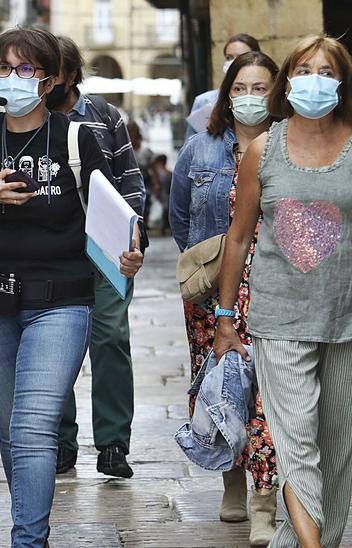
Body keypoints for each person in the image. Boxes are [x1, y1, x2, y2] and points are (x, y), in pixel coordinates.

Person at [0, 28, 142, 547]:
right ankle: (29, 526)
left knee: (34, 429)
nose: (12, 78)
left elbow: (112, 214)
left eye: (25, 69)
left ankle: (28, 540)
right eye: (4, 68)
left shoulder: (75, 139)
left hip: (59, 302)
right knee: (12, 432)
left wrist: (129, 253)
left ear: (48, 81)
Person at [214, 35, 352, 548]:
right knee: (298, 448)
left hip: (346, 318)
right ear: (288, 81)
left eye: (326, 72)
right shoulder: (263, 149)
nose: (314, 81)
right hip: (280, 319)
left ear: (343, 83)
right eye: (304, 71)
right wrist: (225, 318)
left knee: (338, 452)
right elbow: (238, 237)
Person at [169, 51, 281, 547]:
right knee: (221, 385)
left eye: (260, 88)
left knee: (267, 395)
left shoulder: (288, 145)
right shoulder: (200, 149)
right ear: (225, 95)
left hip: (274, 288)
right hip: (213, 294)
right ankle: (231, 480)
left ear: (276, 93)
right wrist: (210, 267)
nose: (249, 98)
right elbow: (179, 217)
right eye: (239, 88)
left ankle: (264, 501)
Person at [48, 35, 148, 479]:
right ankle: (59, 442)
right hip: (51, 253)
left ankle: (112, 445)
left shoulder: (105, 116)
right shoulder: (26, 119)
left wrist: (133, 233)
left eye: (52, 72)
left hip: (108, 248)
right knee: (55, 344)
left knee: (109, 338)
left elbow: (130, 179)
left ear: (71, 75)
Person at [187, 34, 261, 138]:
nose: (233, 62)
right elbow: (191, 144)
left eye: (241, 57)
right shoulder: (204, 101)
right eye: (229, 57)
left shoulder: (263, 99)